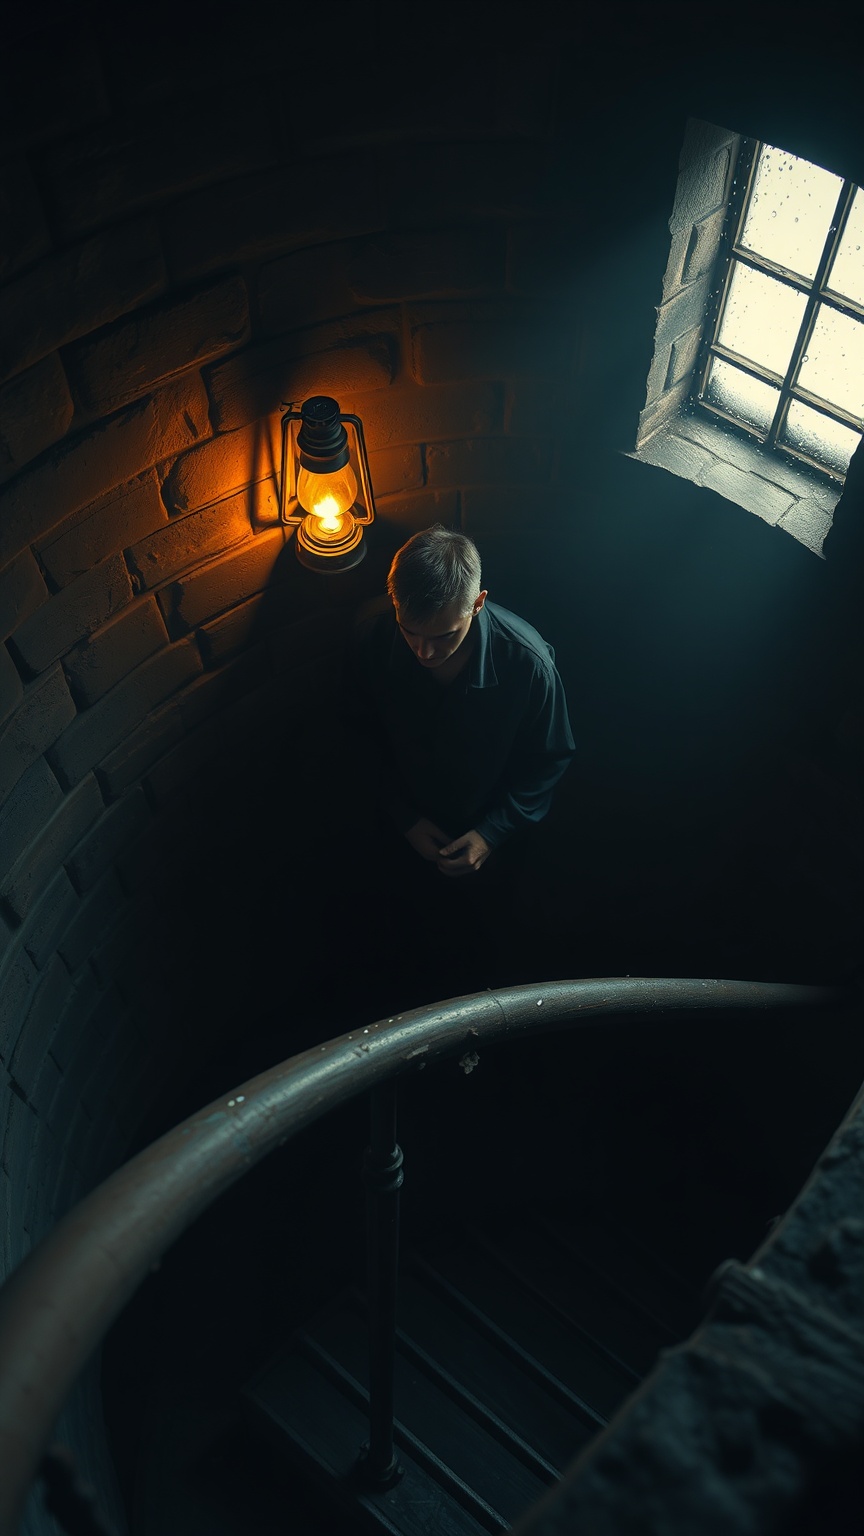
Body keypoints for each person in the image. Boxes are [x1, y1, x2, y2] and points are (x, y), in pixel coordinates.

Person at [346, 525, 576, 890]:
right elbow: (355, 734)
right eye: (409, 631)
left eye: (445, 635)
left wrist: (491, 833)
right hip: (394, 831)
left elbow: (549, 759)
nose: (424, 652)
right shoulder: (372, 635)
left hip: (494, 842)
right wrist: (403, 817)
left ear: (478, 603)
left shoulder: (527, 664)